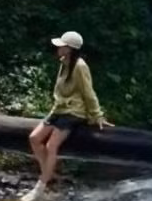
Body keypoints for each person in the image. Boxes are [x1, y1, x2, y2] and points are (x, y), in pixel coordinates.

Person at [29, 30, 110, 188]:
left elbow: (88, 92)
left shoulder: (80, 66)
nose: (58, 48)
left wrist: (97, 115)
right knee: (34, 138)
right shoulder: (64, 62)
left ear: (70, 48)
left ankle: (41, 185)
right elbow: (60, 92)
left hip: (74, 112)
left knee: (51, 146)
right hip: (59, 110)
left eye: (62, 46)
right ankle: (48, 172)